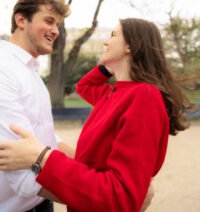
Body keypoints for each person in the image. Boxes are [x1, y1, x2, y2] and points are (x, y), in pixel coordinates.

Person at [0, 18, 189, 212]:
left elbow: (121, 196)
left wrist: (42, 158)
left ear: (131, 46)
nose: (105, 42)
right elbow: (84, 86)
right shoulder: (113, 92)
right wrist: (108, 65)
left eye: (113, 35)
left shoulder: (144, 97)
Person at [0, 0, 69, 212]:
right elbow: (18, 168)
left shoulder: (30, 71)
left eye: (57, 24)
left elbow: (45, 136)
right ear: (21, 20)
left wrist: (94, 164)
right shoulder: (3, 68)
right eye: (49, 21)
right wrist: (103, 194)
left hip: (42, 201)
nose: (55, 31)